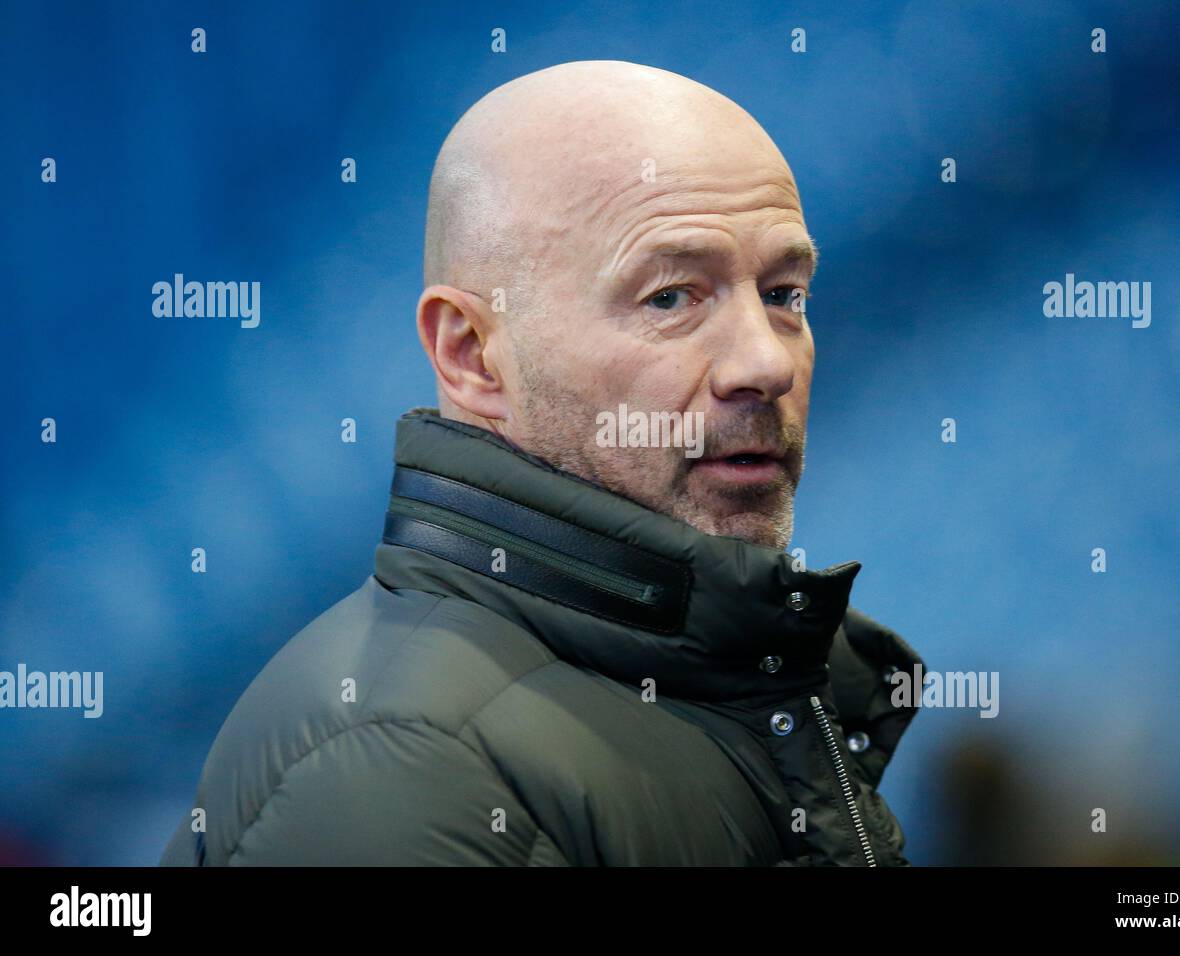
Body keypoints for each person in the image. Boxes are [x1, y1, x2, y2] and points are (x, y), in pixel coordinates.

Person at [159, 59, 925, 866]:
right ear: (474, 356)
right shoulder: (405, 765)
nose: (766, 364)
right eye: (671, 297)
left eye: (784, 294)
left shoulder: (731, 680)